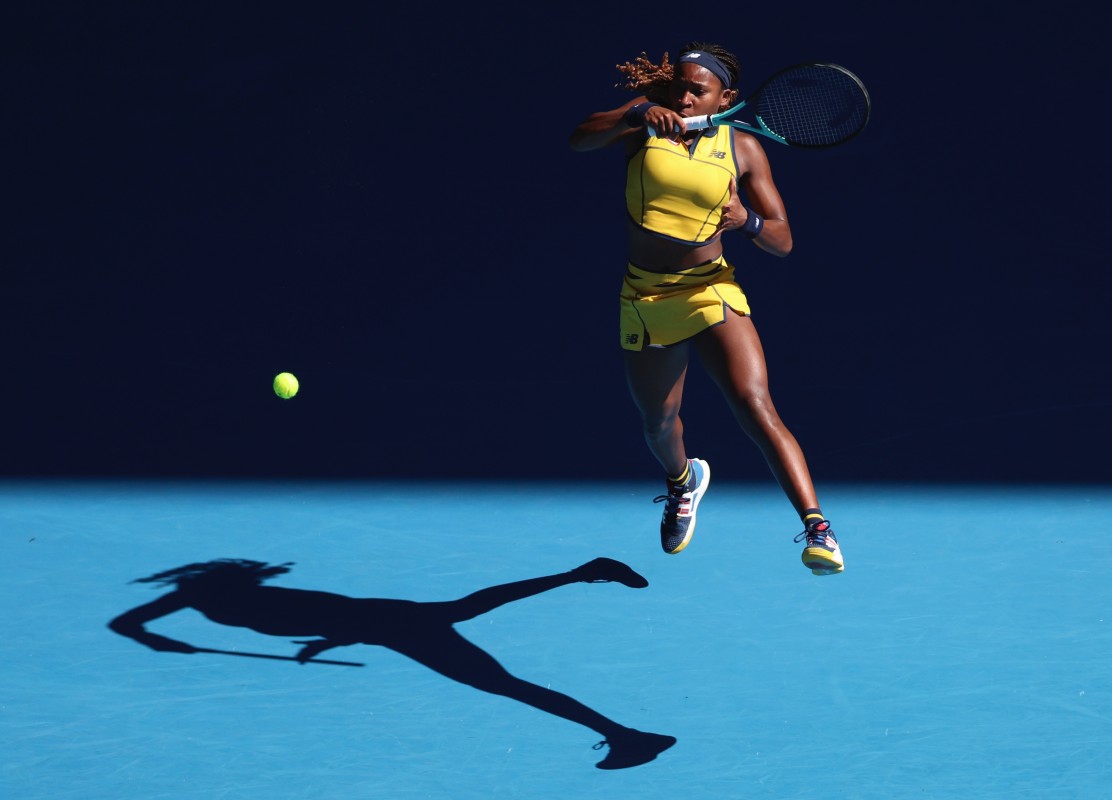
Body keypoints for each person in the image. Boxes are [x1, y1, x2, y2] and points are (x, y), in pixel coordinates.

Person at [568, 43, 844, 576]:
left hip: (711, 289)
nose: (686, 97)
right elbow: (579, 139)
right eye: (679, 87)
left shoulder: (743, 150)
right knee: (658, 422)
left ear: (727, 97)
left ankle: (818, 529)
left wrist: (749, 223)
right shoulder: (643, 126)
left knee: (754, 402)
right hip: (646, 297)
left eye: (699, 89)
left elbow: (783, 239)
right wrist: (634, 111)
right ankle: (682, 482)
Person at [108, 557, 676, 769]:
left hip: (387, 626)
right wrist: (157, 639)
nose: (188, 590)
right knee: (470, 612)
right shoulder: (212, 597)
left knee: (506, 683)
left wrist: (329, 643)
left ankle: (627, 734)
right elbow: (129, 622)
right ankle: (582, 575)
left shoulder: (238, 601)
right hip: (381, 622)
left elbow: (341, 620)